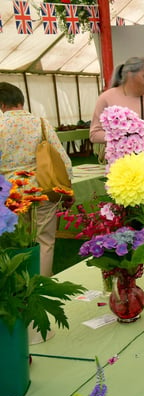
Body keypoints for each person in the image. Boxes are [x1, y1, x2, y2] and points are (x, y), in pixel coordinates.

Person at [0, 82, 74, 277]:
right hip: (43, 189)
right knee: (45, 241)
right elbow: (62, 160)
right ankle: (41, 288)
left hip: (10, 194)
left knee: (14, 245)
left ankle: (18, 288)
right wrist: (68, 190)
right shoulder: (41, 123)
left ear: (2, 104)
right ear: (21, 101)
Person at [89, 57, 144, 144]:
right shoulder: (106, 97)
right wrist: (121, 137)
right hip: (119, 156)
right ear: (129, 75)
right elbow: (94, 134)